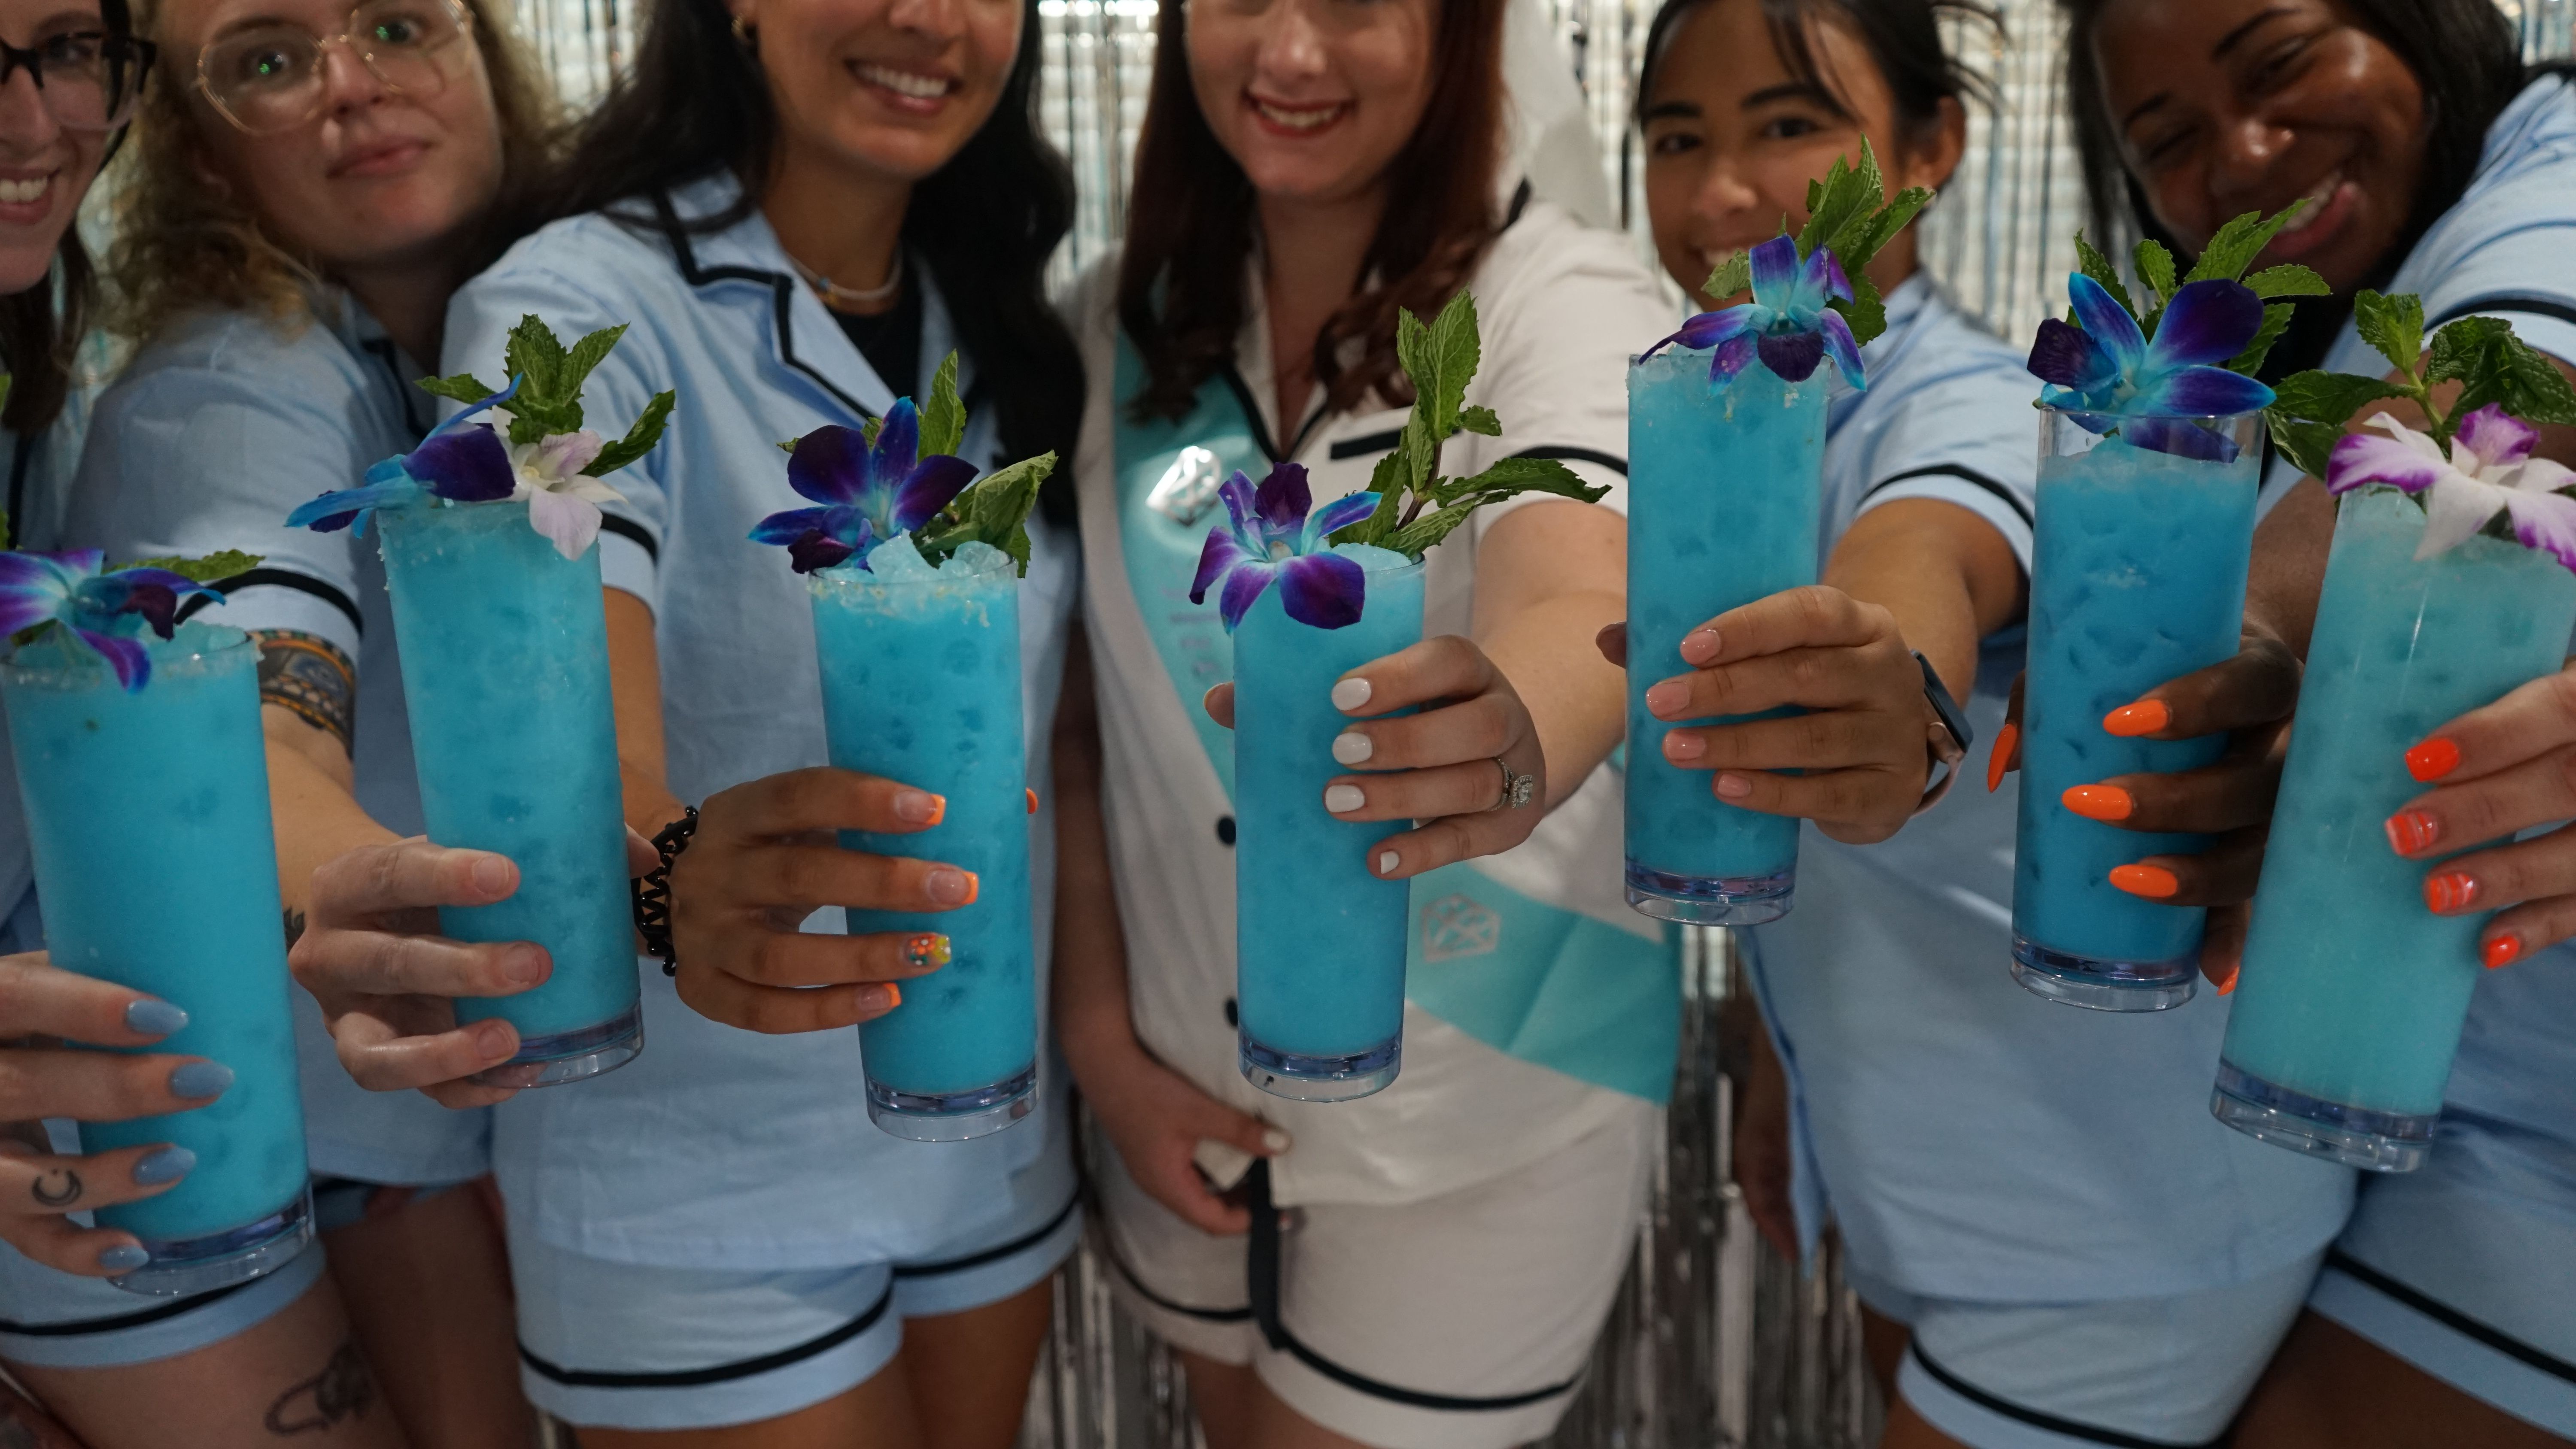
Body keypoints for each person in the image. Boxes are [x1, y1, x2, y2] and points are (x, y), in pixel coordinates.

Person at [286, 0, 1090, 1437]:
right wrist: (665, 871)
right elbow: (565, 690)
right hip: (694, 1171)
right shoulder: (575, 311)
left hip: (981, 1122)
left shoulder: (1000, 311)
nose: (922, 16)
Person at [1615, 3, 2359, 1446]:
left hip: (2109, 1223)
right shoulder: (1776, 413)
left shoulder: (1964, 398)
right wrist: (1786, 1061)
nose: (1720, 194)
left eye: (1788, 126)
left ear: (1934, 143)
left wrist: (1890, 669)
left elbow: (1935, 556)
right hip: (1939, 1182)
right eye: (1675, 139)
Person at [1055, 0, 1674, 1440]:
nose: (1288, 54)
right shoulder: (1109, 320)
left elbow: (1580, 564)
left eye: (1352, 3)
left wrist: (1520, 714)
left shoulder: (1561, 291)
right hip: (1176, 1108)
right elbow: (1076, 724)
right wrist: (1099, 1040)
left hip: (1482, 1127)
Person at [47, 0, 566, 1440]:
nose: (353, 87)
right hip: (290, 1141)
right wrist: (347, 886)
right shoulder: (227, 384)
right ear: (203, 159)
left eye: (398, 24)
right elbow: (255, 679)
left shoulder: (514, 345)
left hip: (410, 1106)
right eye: (268, 63)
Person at [2059, 2, 2576, 1444]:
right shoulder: (2329, 304)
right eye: (2165, 139)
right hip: (2407, 1088)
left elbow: (2494, 401)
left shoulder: (2552, 178)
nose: (2247, 152)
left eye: (2281, 63)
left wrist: (2267, 637)